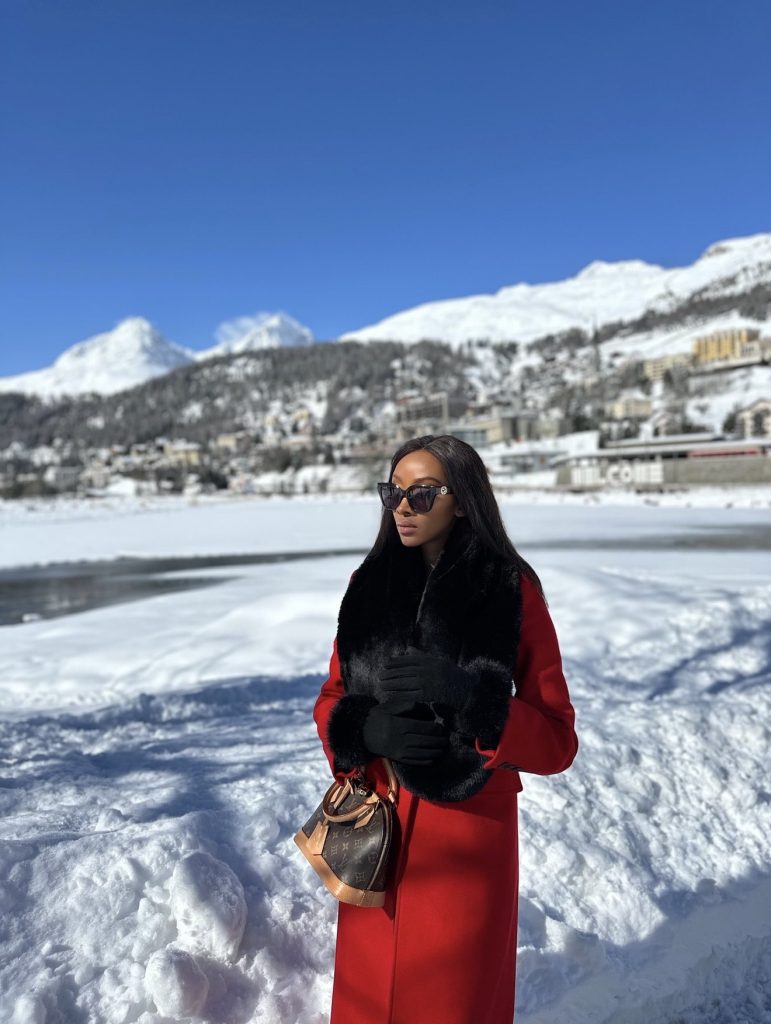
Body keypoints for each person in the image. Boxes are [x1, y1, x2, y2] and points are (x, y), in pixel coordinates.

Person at [313, 434, 578, 1024]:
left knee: (448, 1003)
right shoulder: (367, 585)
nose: (403, 507)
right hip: (377, 833)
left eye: (422, 493)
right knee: (368, 1002)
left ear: (462, 499)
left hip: (467, 839)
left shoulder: (510, 589)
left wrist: (469, 697)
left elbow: (559, 740)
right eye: (394, 493)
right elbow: (332, 696)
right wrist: (366, 729)